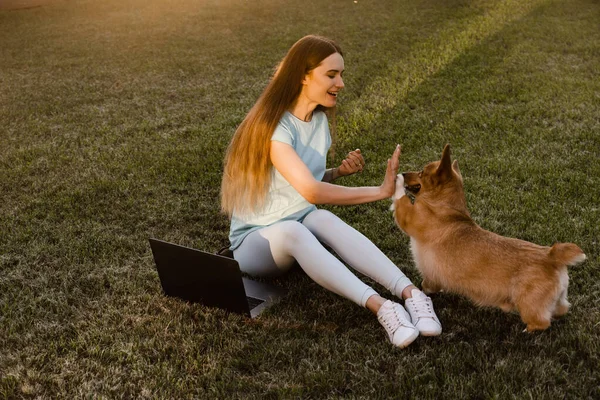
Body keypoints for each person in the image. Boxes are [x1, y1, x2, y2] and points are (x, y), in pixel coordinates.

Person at [221, 35, 441, 348]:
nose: (340, 83)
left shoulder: (318, 122)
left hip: (298, 220)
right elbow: (309, 190)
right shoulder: (274, 129)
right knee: (295, 230)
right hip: (257, 243)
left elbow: (295, 180)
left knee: (320, 219)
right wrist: (380, 191)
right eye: (331, 75)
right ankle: (383, 308)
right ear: (303, 75)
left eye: (341, 75)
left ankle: (412, 295)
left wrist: (338, 173)